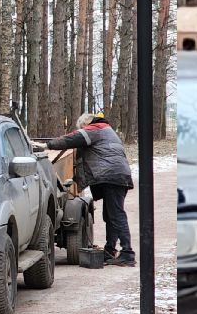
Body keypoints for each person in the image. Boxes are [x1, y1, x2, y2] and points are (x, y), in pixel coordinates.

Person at [36, 111, 135, 267]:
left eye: (81, 128)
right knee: (110, 215)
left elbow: (73, 138)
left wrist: (47, 145)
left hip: (112, 176)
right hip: (118, 175)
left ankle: (128, 253)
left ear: (85, 124)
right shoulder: (106, 130)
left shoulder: (96, 128)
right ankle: (110, 251)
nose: (82, 130)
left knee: (116, 214)